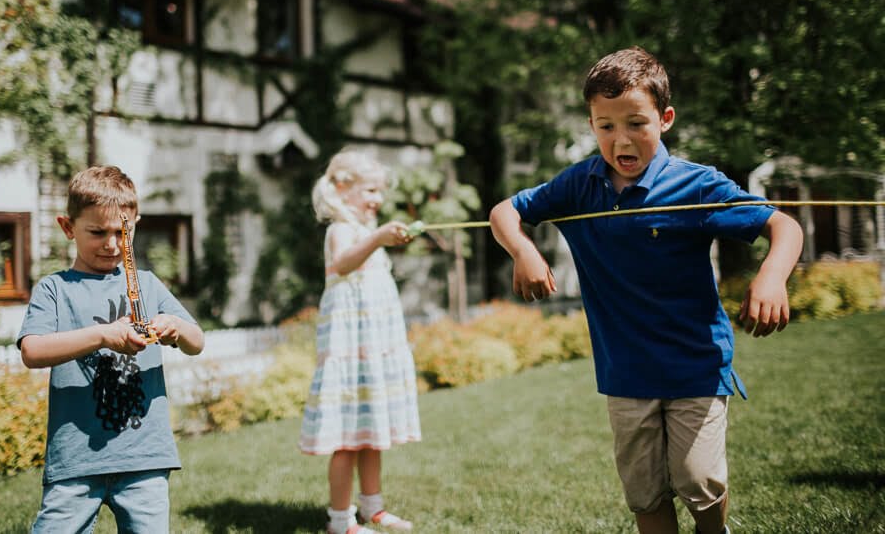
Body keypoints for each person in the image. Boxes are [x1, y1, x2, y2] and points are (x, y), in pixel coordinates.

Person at [489, 47, 803, 534]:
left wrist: (771, 276)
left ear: (666, 118)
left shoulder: (694, 186)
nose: (621, 139)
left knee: (698, 479)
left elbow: (784, 227)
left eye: (636, 122)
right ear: (591, 124)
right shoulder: (580, 185)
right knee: (645, 491)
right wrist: (525, 251)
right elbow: (504, 211)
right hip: (626, 370)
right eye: (605, 126)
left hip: (695, 363)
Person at [18, 165, 204, 533]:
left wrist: (176, 328)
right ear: (68, 228)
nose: (112, 244)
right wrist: (103, 335)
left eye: (123, 232)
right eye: (97, 232)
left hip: (144, 457)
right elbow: (32, 351)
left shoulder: (148, 285)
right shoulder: (55, 289)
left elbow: (196, 342)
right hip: (76, 460)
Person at [299, 150, 422, 534]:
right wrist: (380, 237)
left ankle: (373, 507)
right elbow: (344, 263)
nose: (377, 200)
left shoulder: (364, 229)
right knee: (348, 439)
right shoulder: (342, 229)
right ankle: (340, 520)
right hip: (350, 348)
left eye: (379, 192)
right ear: (341, 188)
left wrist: (381, 236)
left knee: (371, 435)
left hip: (372, 347)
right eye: (370, 190)